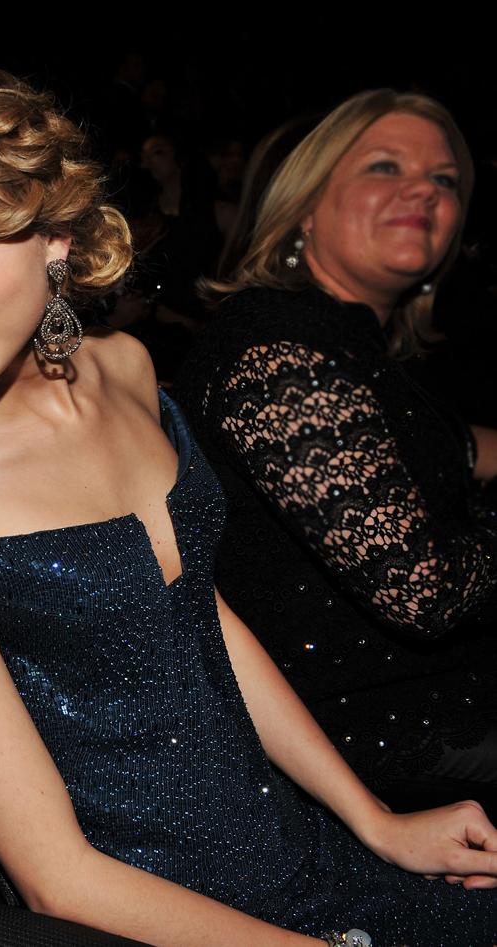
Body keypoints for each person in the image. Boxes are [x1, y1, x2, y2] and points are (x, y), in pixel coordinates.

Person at [0, 56, 497, 946]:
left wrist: (377, 822)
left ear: (55, 235)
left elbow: (204, 622)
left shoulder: (130, 373)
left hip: (300, 845)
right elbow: (57, 879)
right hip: (153, 915)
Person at [178, 90, 497, 817]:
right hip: (377, 749)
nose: (423, 189)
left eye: (445, 180)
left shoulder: (351, 345)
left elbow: (454, 446)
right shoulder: (277, 354)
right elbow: (423, 587)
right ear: (304, 208)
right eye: (386, 167)